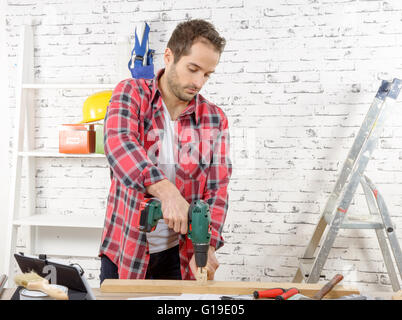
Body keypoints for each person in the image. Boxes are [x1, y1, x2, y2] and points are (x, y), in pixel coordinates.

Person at [99, 19, 232, 283]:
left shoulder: (214, 119)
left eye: (207, 74)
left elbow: (218, 189)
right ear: (169, 56)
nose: (199, 82)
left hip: (179, 257)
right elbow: (119, 145)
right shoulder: (131, 94)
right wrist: (167, 192)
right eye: (193, 69)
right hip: (126, 248)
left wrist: (208, 245)